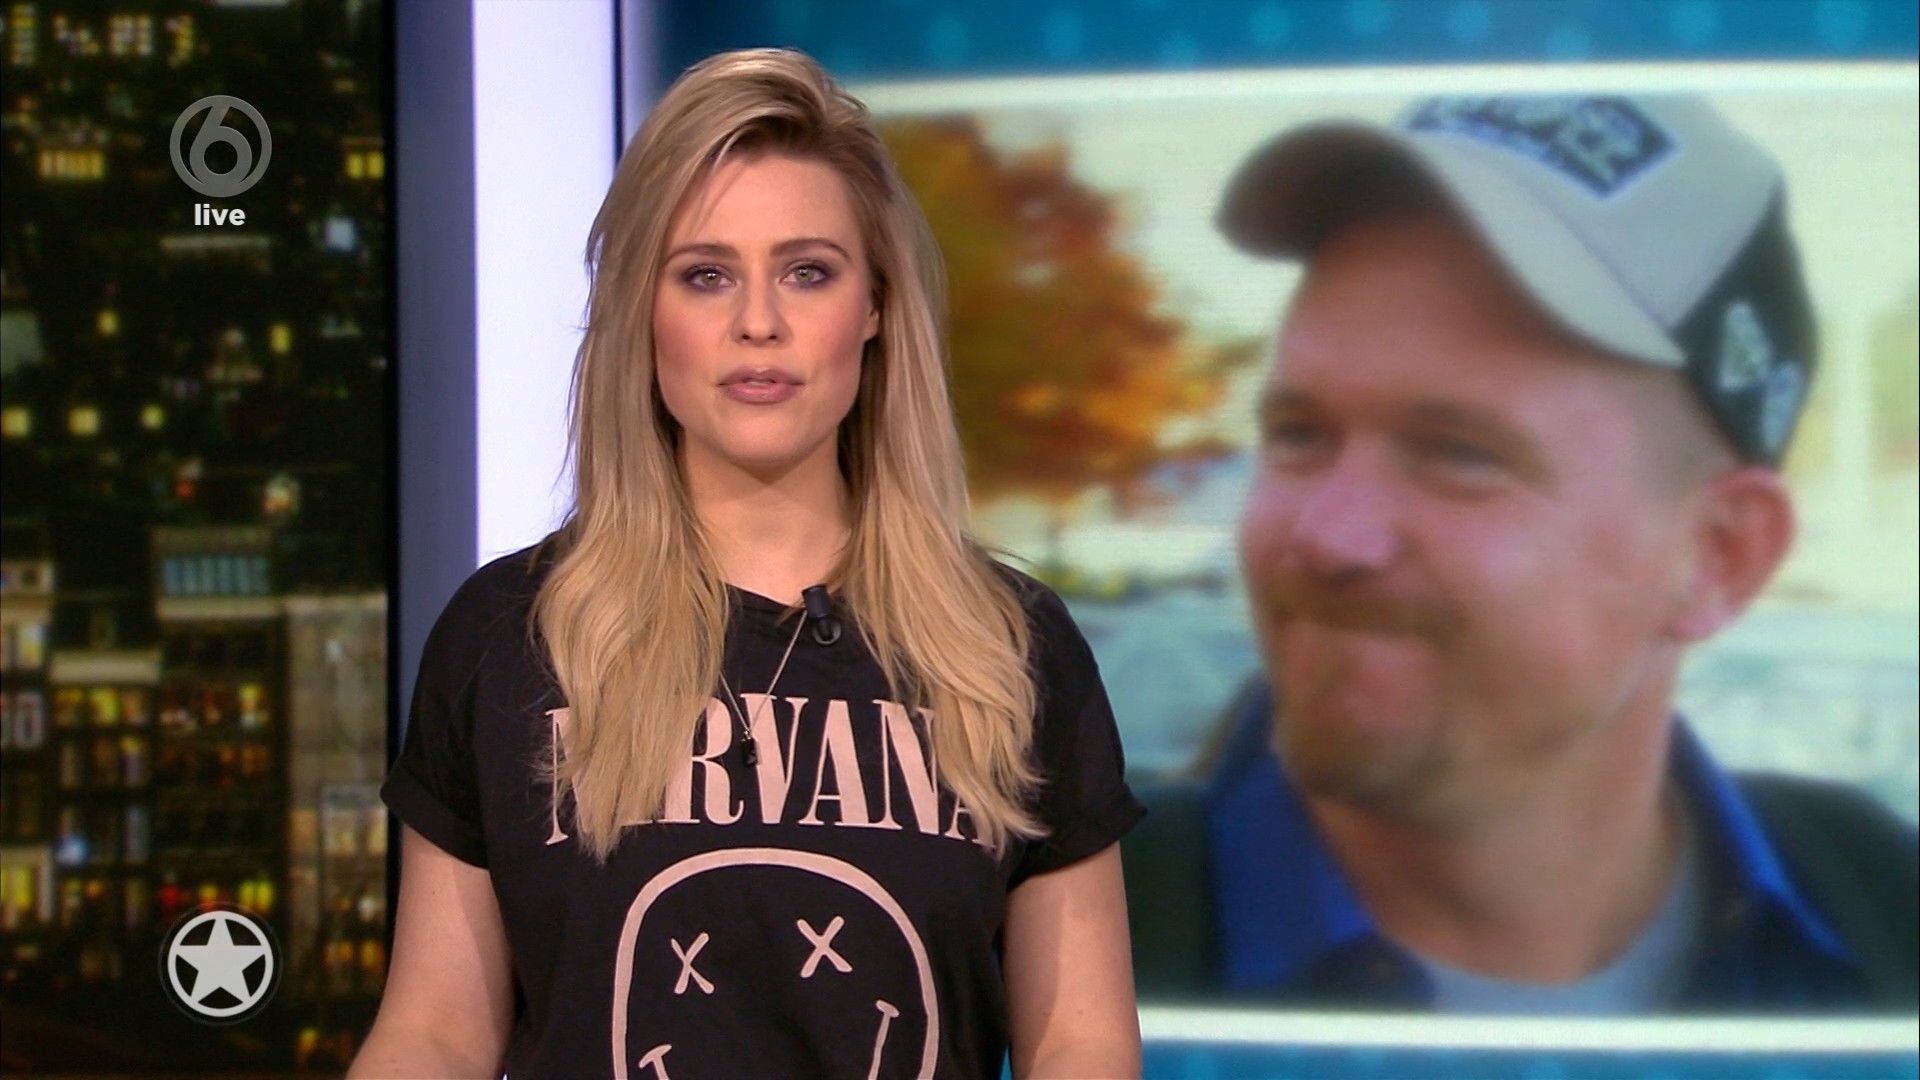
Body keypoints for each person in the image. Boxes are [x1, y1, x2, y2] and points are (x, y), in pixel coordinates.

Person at [353, 49, 1144, 1078]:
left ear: (875, 307)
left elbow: (1078, 1042)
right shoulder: (509, 635)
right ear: (643, 312)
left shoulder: (1011, 649)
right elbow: (437, 1034)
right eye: (706, 275)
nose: (758, 323)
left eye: (807, 272)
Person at [1124, 94, 1918, 1012]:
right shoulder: (1032, 950)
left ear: (1719, 556)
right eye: (1300, 434)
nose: (1326, 535)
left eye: (1457, 453)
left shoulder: (1886, 929)